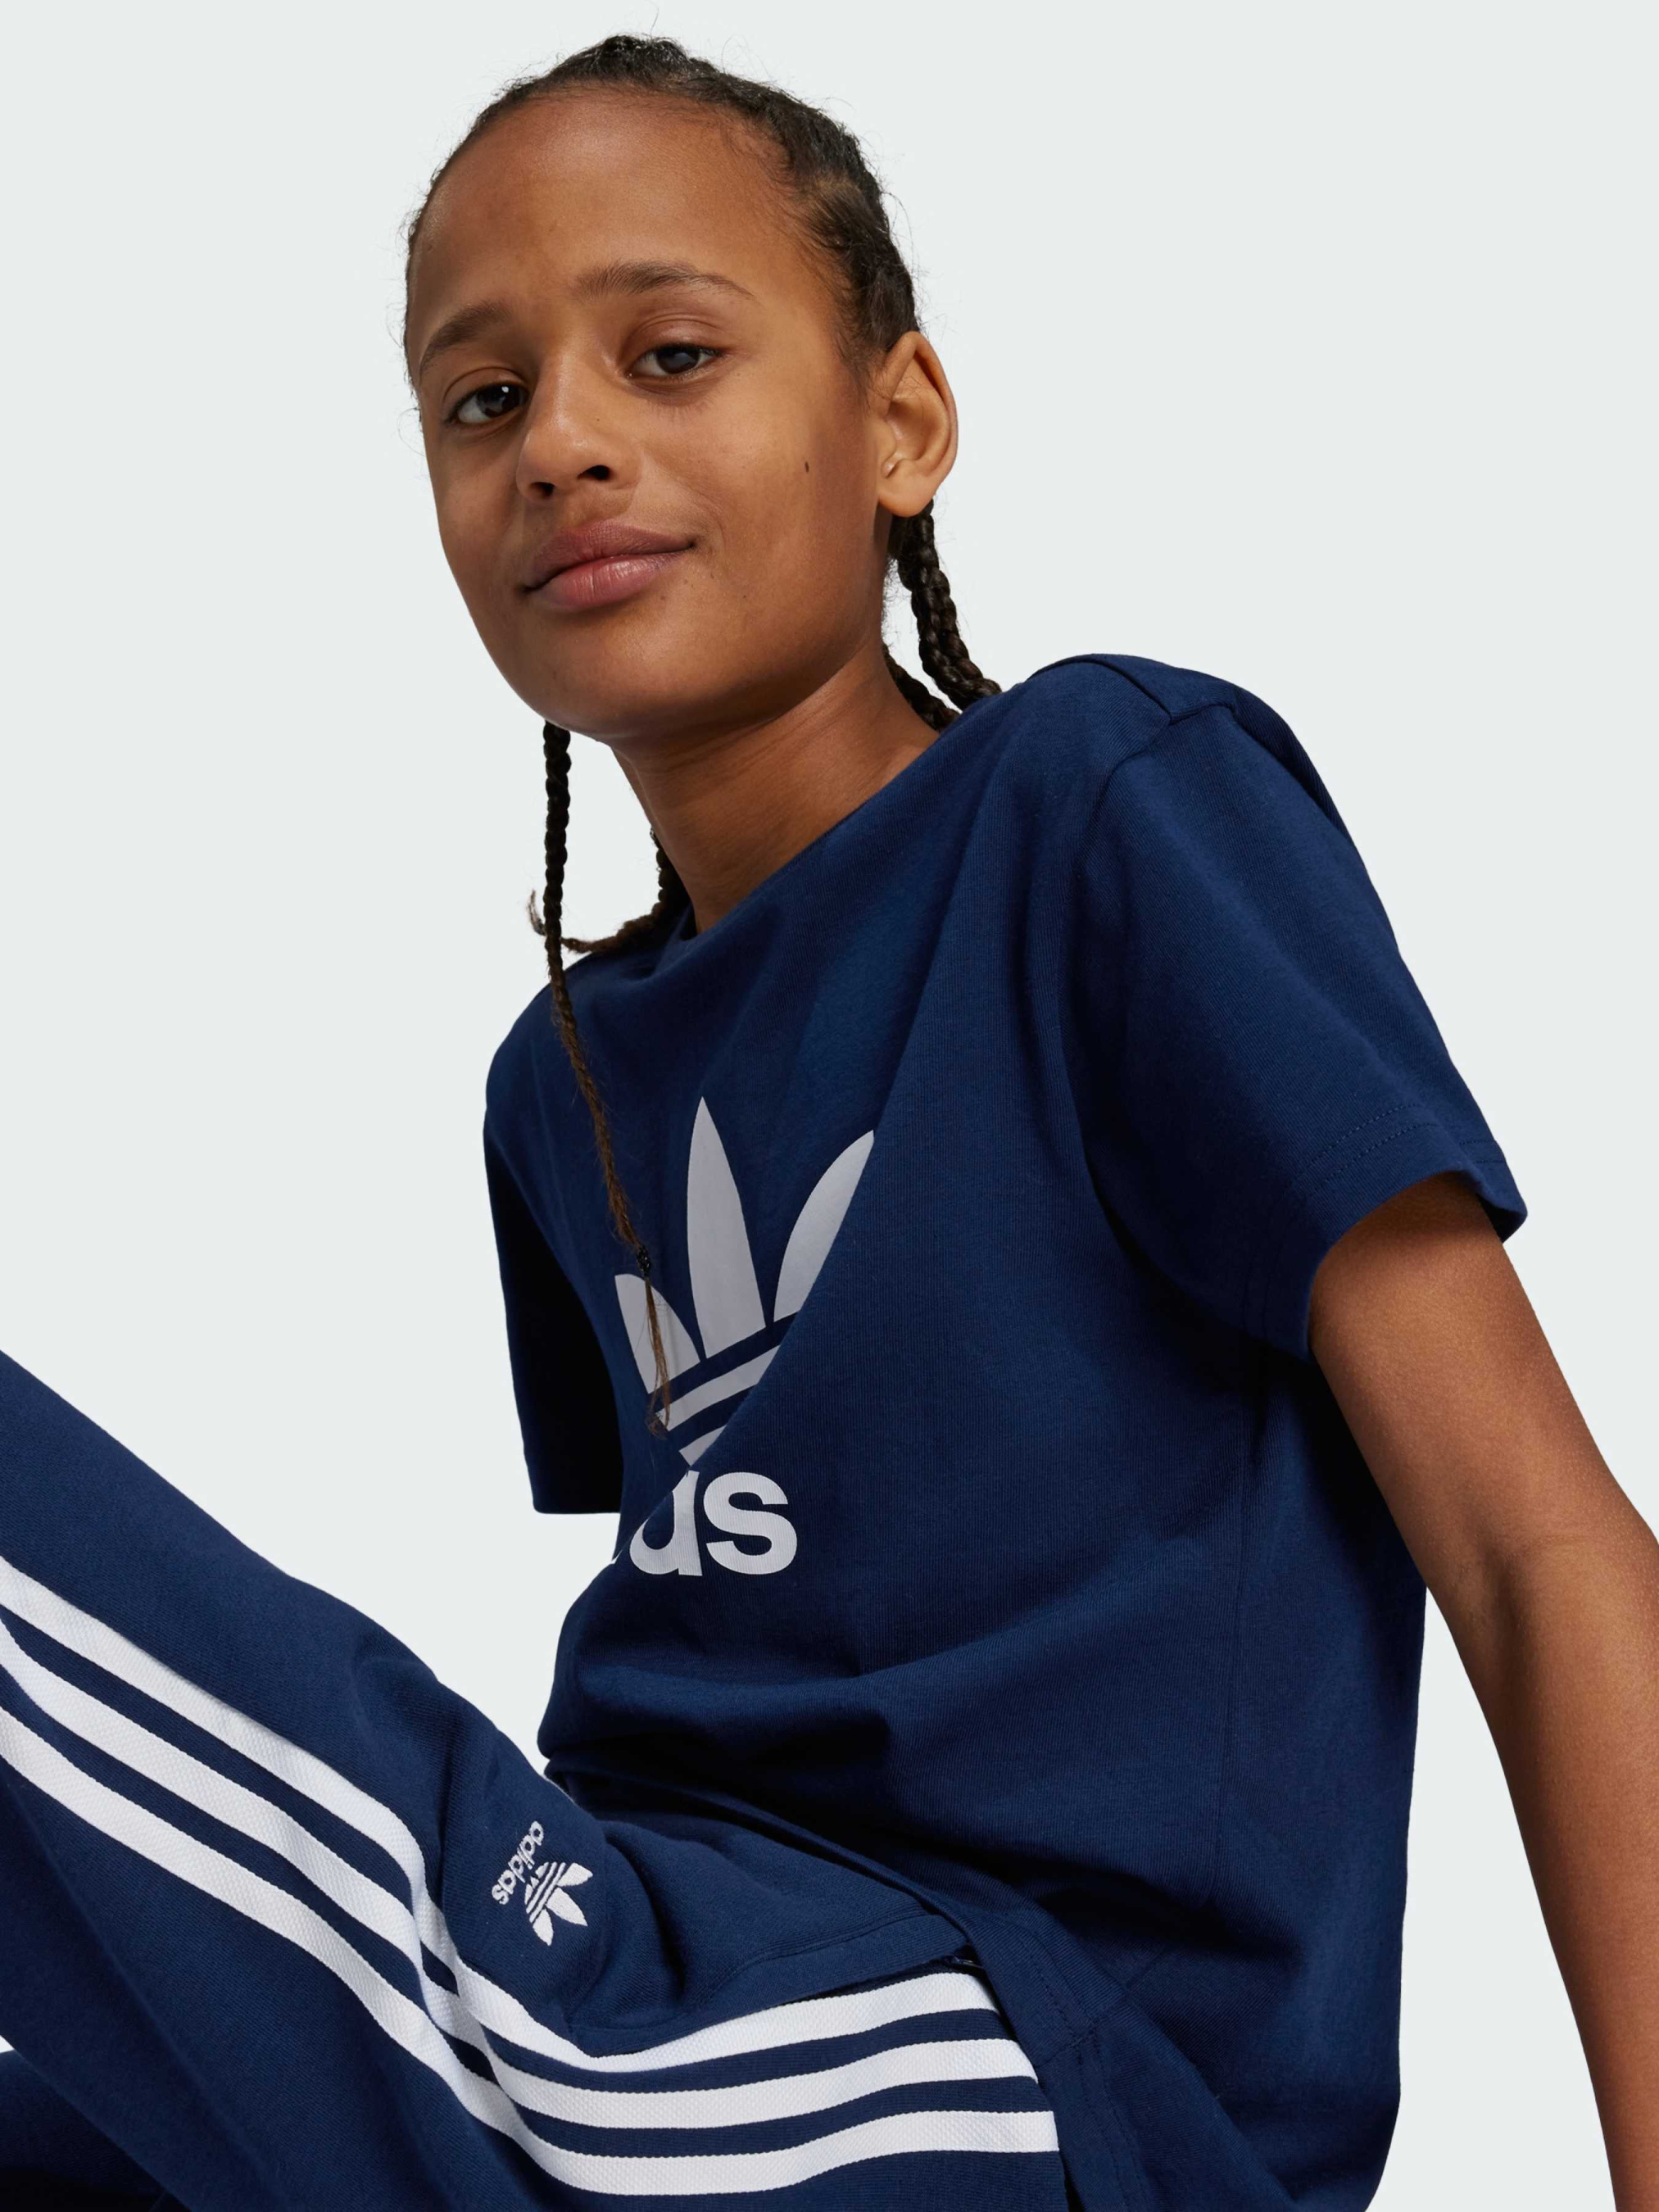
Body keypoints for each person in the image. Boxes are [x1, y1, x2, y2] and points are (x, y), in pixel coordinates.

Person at [1, 29, 1654, 2212]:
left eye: (669, 353)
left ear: (903, 423)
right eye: (480, 400)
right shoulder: (557, 1077)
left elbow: (1533, 1545)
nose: (561, 442)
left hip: (1061, 2055)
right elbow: (737, 1647)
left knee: (548, 2063)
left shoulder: (1098, 810)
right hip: (697, 1952)